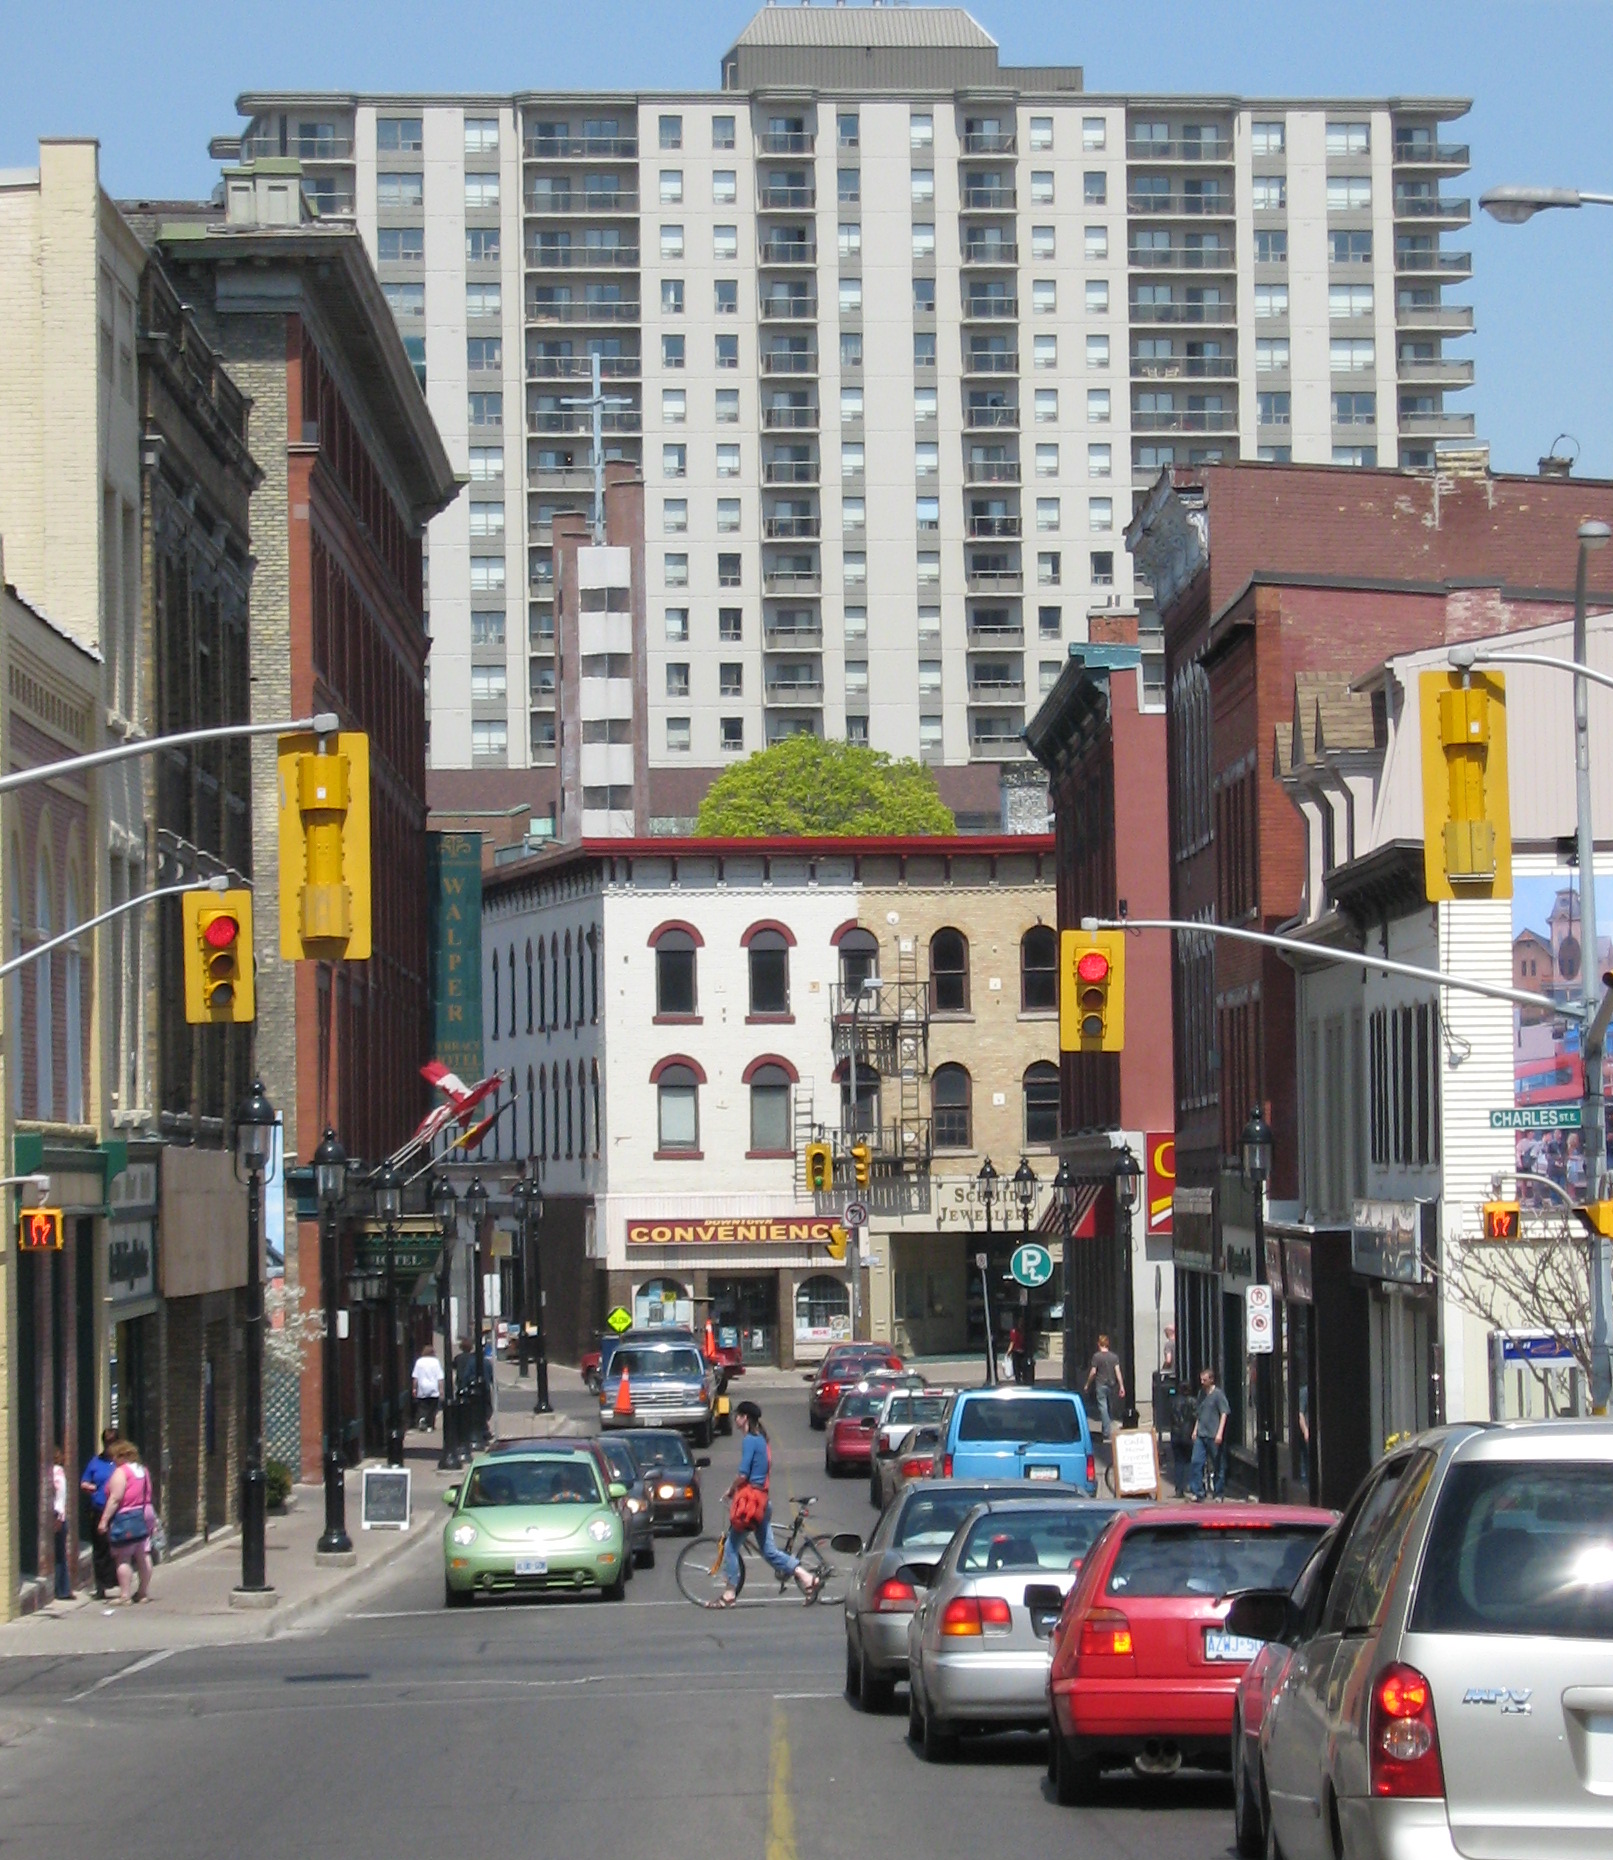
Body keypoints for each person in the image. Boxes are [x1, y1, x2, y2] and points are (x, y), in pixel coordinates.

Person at [720, 1401, 820, 1607]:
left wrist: (730, 1490)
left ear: (745, 1418)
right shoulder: (762, 1441)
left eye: (737, 1415)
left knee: (730, 1547)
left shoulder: (749, 1441)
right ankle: (807, 1577)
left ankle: (729, 1593)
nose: (735, 1419)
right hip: (763, 1502)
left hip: (750, 1504)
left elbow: (743, 1474)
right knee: (769, 1551)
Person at [99, 1439, 154, 1604]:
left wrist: (104, 1520)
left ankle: (125, 1595)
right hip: (146, 1512)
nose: (113, 1461)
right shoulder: (143, 1470)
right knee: (143, 1553)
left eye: (114, 1457)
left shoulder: (122, 1472)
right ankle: (143, 1592)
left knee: (123, 1556)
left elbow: (116, 1498)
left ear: (121, 1456)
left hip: (127, 1516)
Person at [81, 1426, 118, 1600]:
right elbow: (84, 1482)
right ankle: (101, 1586)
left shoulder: (120, 1462)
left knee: (118, 1547)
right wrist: (91, 1488)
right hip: (99, 1508)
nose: (109, 1445)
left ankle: (118, 1581)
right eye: (107, 1442)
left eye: (112, 1442)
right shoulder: (96, 1462)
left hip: (119, 1510)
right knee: (100, 1548)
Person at [1189, 1367, 1231, 1500]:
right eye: (1201, 1379)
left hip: (1213, 1435)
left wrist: (1220, 1433)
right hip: (1201, 1434)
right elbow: (1199, 1415)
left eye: (1205, 1379)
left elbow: (1224, 1413)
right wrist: (1195, 1430)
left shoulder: (1218, 1395)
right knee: (1196, 1462)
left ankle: (1218, 1493)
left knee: (1218, 1464)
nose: (1202, 1382)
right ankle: (1198, 1492)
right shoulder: (1201, 1394)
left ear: (1211, 1380)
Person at [1085, 1333, 1127, 1440]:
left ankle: (1106, 1431)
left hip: (1101, 1384)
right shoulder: (1114, 1357)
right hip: (1112, 1384)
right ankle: (1107, 1428)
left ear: (1099, 1344)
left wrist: (1087, 1384)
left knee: (1103, 1407)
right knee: (1109, 1407)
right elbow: (1118, 1371)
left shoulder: (1097, 1356)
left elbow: (1093, 1372)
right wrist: (1121, 1386)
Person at [52, 1447, 72, 1601]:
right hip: (59, 1516)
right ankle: (61, 1588)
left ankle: (63, 1589)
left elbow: (60, 1495)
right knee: (59, 1554)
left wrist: (59, 1516)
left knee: (59, 1554)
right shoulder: (58, 1471)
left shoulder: (56, 1471)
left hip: (57, 1516)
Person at [412, 1343, 444, 1431]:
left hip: (422, 1387)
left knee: (422, 1405)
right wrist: (441, 1390)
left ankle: (422, 1418)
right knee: (432, 1408)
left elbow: (415, 1377)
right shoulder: (436, 1362)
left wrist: (414, 1388)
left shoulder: (419, 1362)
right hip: (433, 1387)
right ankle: (430, 1425)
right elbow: (440, 1378)